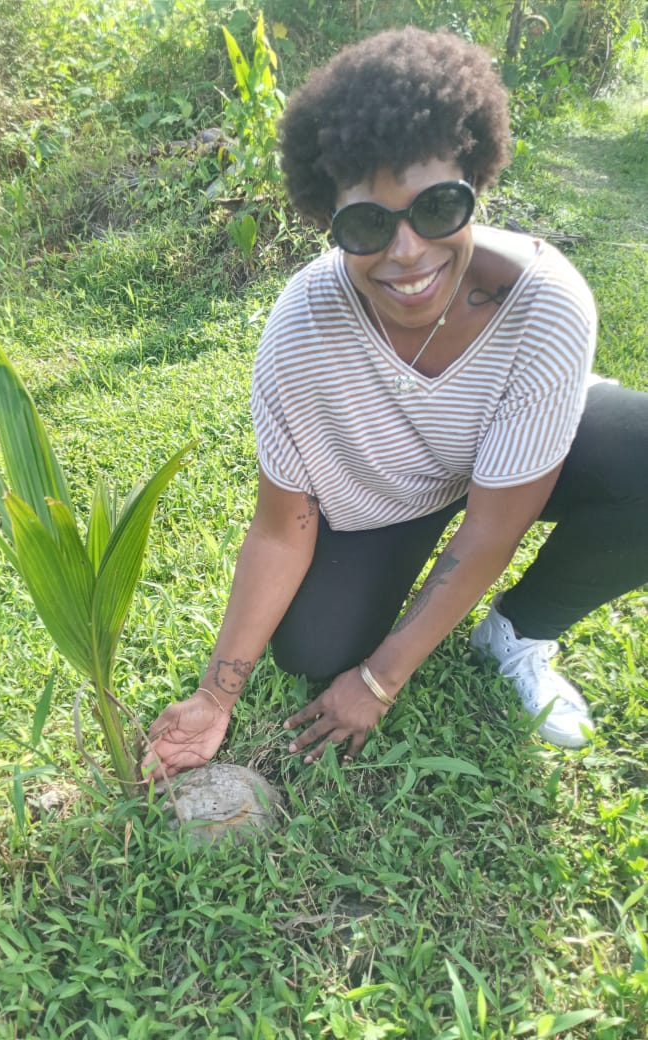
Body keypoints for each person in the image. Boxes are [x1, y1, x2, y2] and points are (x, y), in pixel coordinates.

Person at [142, 26, 648, 780]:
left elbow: (488, 533)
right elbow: (282, 530)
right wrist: (217, 694)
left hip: (511, 461)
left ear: (477, 183)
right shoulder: (302, 329)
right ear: (329, 224)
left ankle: (518, 629)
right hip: (394, 498)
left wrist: (380, 681)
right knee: (312, 648)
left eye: (437, 207)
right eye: (369, 224)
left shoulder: (545, 305)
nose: (407, 251)